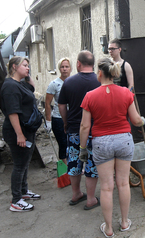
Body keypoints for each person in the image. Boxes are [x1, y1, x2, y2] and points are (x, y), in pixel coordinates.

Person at [79, 57, 145, 237]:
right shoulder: (125, 92)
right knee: (123, 183)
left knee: (107, 187)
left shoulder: (90, 96)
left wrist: (83, 148)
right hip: (124, 140)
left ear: (100, 73)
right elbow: (136, 120)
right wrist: (142, 120)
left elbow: (85, 126)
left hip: (102, 142)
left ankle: (108, 229)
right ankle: (124, 223)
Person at [58, 50, 100, 210]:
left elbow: (61, 105)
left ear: (78, 64)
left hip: (75, 130)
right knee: (91, 163)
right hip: (94, 131)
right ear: (93, 64)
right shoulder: (99, 80)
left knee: (74, 161)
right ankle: (90, 199)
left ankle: (76, 194)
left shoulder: (68, 82)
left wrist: (66, 121)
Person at [1, 56, 41, 212]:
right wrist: (19, 135)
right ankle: (16, 200)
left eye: (28, 66)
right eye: (25, 65)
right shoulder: (10, 86)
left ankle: (24, 192)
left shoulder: (20, 84)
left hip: (27, 130)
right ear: (14, 67)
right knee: (19, 165)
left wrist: (27, 75)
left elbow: (32, 89)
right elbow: (13, 112)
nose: (28, 68)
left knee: (25, 162)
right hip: (18, 131)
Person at [45, 57, 72, 165]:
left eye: (67, 67)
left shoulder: (73, 82)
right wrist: (48, 121)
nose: (64, 69)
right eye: (62, 67)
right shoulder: (54, 84)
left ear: (70, 68)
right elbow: (47, 103)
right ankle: (66, 168)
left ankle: (72, 166)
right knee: (63, 143)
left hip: (72, 118)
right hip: (58, 118)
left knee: (72, 143)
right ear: (59, 69)